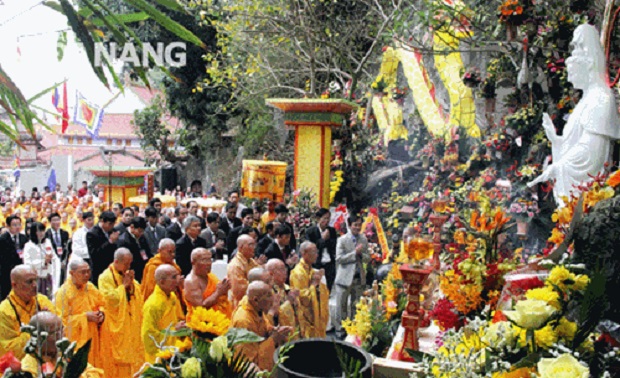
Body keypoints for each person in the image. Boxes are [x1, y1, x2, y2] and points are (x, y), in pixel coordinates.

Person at [528, 24, 620, 204]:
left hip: (587, 191)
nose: (570, 80)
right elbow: (575, 143)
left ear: (587, 67)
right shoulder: (587, 98)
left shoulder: (600, 98)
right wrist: (556, 139)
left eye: (573, 73)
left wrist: (559, 167)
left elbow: (592, 152)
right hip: (574, 193)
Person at [98, 248, 145, 377]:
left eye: (130, 264)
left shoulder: (126, 275)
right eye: (126, 264)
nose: (128, 267)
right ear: (116, 261)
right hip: (115, 326)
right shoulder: (105, 277)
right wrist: (123, 286)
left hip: (130, 325)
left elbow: (137, 294)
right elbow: (109, 300)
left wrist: (131, 287)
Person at [55, 258, 106, 369]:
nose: (87, 275)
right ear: (72, 273)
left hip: (93, 339)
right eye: (83, 272)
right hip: (76, 343)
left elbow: (102, 303)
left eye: (88, 271)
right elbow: (62, 322)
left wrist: (101, 313)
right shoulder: (63, 293)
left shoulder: (90, 287)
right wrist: (85, 317)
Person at [231, 281, 292, 372]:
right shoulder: (243, 321)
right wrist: (273, 339)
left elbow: (264, 326)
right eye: (268, 296)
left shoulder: (256, 307)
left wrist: (273, 330)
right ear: (256, 300)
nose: (272, 299)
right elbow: (248, 361)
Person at [21, 311, 104, 377]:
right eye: (56, 333)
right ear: (39, 338)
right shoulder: (28, 369)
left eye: (62, 329)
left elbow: (94, 373)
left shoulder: (64, 354)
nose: (62, 336)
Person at [0, 265, 55, 360]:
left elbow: (60, 330)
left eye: (36, 280)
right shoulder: (4, 311)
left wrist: (51, 322)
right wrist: (36, 327)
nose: (35, 285)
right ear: (14, 285)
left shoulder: (42, 301)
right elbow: (7, 351)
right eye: (29, 282)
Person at [334, 215, 369, 339]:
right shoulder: (342, 240)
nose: (357, 227)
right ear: (349, 225)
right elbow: (339, 259)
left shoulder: (363, 239)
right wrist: (354, 253)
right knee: (341, 306)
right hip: (344, 278)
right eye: (355, 225)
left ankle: (354, 330)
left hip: (358, 278)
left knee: (356, 305)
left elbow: (368, 257)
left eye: (359, 225)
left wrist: (361, 255)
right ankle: (340, 330)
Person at [141, 264, 185, 364]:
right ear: (162, 282)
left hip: (174, 351)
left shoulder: (172, 296)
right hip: (159, 357)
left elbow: (179, 318)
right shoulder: (153, 304)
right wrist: (174, 332)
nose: (178, 280)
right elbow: (148, 336)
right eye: (174, 277)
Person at [289, 242, 330, 338]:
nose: (316, 254)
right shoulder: (298, 273)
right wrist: (314, 285)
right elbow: (303, 298)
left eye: (316, 251)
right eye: (313, 252)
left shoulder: (311, 269)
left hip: (315, 314)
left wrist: (319, 284)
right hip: (307, 318)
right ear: (304, 253)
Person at [183, 248, 232, 317]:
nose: (209, 263)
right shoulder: (191, 282)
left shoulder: (210, 276)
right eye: (204, 260)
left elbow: (220, 293)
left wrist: (225, 288)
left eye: (209, 259)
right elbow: (200, 308)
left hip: (220, 319)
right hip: (202, 324)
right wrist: (218, 293)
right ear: (193, 262)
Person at [266, 259, 304, 340]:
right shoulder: (268, 292)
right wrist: (289, 302)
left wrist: (296, 302)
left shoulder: (287, 287)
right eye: (281, 269)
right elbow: (272, 315)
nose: (285, 272)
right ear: (271, 274)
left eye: (285, 268)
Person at [23, 222, 62, 299]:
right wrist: (43, 262)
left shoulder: (47, 242)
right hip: (37, 277)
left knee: (49, 298)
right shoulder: (29, 246)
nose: (41, 233)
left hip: (48, 275)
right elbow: (27, 264)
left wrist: (52, 260)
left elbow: (54, 257)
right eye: (38, 231)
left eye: (42, 231)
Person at [305, 208, 337, 291]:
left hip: (329, 264)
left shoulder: (332, 231)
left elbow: (334, 246)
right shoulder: (310, 232)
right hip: (317, 265)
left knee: (327, 290)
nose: (327, 221)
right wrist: (323, 239)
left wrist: (328, 239)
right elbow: (311, 248)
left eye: (329, 218)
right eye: (325, 218)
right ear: (318, 219)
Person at [227, 235, 261, 308]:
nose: (254, 248)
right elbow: (239, 291)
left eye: (254, 245)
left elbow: (262, 276)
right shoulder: (235, 266)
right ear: (240, 247)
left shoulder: (251, 261)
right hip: (240, 304)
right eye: (250, 245)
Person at [86, 211, 119, 285]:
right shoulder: (92, 233)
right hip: (99, 269)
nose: (112, 226)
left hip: (111, 269)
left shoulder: (112, 231)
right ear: (102, 221)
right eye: (110, 224)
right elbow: (94, 254)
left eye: (113, 224)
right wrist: (110, 242)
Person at [0, 215, 29, 300]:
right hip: (7, 272)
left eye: (19, 224)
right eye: (14, 225)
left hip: (22, 271)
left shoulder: (24, 238)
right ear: (8, 226)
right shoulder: (2, 239)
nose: (17, 227)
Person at [117, 217, 152, 282]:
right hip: (131, 271)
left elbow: (147, 252)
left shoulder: (142, 237)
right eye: (139, 231)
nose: (141, 233)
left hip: (142, 270)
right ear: (132, 227)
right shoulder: (123, 240)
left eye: (142, 231)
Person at [46, 212, 70, 284]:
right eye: (54, 220)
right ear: (50, 222)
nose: (57, 222)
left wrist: (64, 260)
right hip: (52, 262)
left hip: (63, 261)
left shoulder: (65, 233)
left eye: (58, 220)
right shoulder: (46, 234)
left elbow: (67, 248)